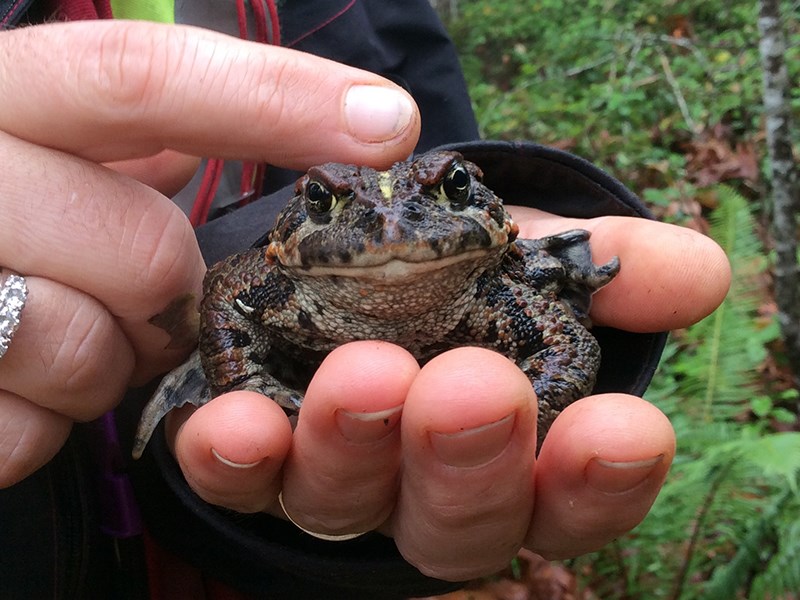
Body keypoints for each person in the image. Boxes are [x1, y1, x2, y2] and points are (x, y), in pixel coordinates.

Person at [0, 2, 731, 598]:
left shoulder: (501, 279)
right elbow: (225, 290)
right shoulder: (278, 282)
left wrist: (521, 428)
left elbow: (566, 340)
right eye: (324, 201)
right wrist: (245, 383)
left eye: (448, 198)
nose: (390, 232)